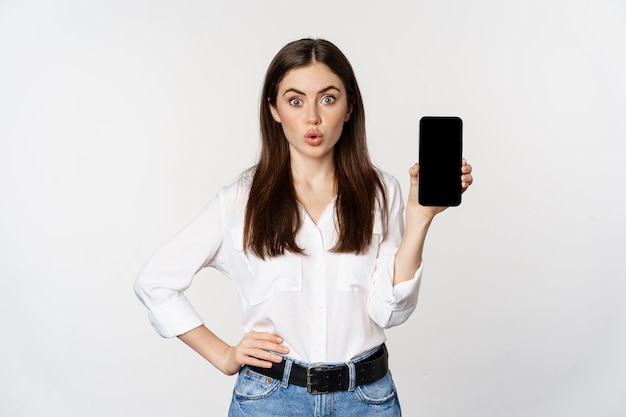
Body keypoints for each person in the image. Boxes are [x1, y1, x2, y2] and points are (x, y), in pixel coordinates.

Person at [134, 38, 473, 416]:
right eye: (295, 101)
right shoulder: (239, 200)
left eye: (328, 99)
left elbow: (388, 312)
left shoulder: (382, 191)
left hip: (366, 399)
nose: (312, 117)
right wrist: (224, 355)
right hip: (269, 400)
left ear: (349, 108)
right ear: (274, 110)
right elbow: (155, 282)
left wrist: (420, 218)